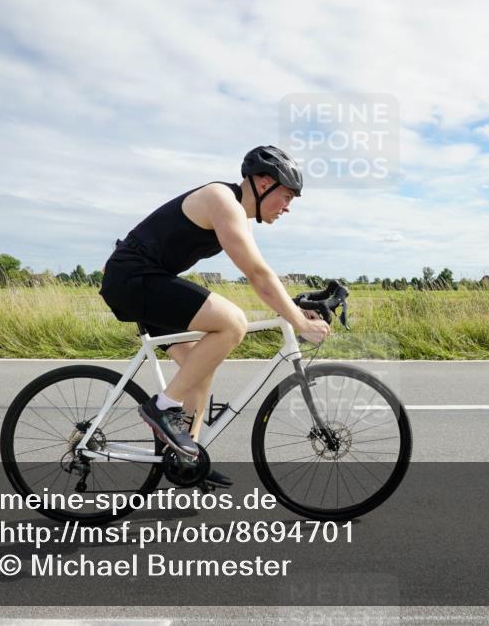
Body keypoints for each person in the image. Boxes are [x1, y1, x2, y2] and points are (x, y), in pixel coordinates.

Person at [99, 145, 331, 487]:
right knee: (232, 323)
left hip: (145, 280)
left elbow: (264, 274)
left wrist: (297, 307)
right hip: (133, 278)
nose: (288, 208)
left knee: (200, 367)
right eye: (287, 196)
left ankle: (187, 459)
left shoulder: (239, 215)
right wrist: (299, 324)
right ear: (264, 182)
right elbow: (257, 274)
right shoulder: (221, 200)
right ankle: (162, 408)